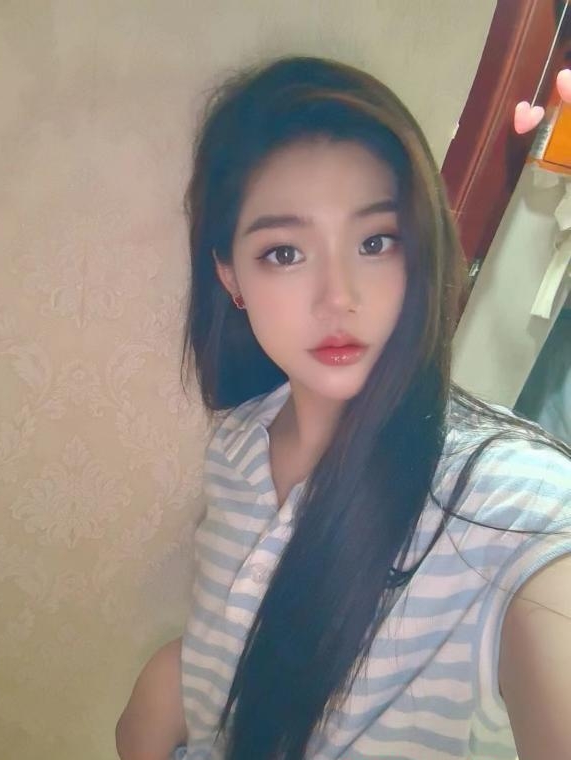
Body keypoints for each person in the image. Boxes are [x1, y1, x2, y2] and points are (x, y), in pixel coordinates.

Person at [116, 55, 571, 760]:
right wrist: (164, 689)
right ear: (230, 277)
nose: (339, 298)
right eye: (284, 253)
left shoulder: (504, 501)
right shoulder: (238, 444)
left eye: (375, 242)